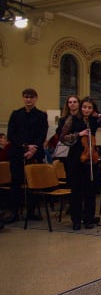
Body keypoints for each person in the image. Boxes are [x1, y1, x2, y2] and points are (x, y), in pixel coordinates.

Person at [59, 96, 101, 230]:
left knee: (90, 191)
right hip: (75, 159)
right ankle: (76, 220)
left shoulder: (94, 120)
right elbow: (63, 138)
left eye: (89, 108)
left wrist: (98, 114)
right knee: (76, 192)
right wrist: (79, 134)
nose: (86, 110)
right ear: (80, 107)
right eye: (84, 107)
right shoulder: (72, 119)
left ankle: (89, 219)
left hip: (90, 159)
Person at [6, 88, 48, 224]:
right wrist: (25, 146)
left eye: (31, 97)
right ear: (23, 98)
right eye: (26, 97)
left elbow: (42, 134)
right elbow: (11, 134)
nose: (28, 99)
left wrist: (33, 148)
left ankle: (31, 211)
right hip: (18, 152)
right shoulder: (16, 114)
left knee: (33, 184)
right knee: (16, 183)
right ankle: (14, 212)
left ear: (36, 99)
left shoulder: (41, 115)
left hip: (35, 153)